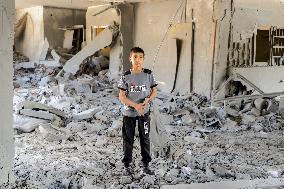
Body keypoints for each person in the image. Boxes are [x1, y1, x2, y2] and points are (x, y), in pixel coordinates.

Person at [118, 47, 158, 176]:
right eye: (135, 57)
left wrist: (147, 101)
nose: (138, 60)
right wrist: (135, 106)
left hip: (144, 113)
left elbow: (154, 91)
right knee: (128, 139)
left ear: (143, 59)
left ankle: (146, 164)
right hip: (129, 113)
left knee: (145, 138)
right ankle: (126, 165)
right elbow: (121, 96)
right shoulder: (126, 76)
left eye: (140, 57)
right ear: (130, 59)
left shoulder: (148, 74)